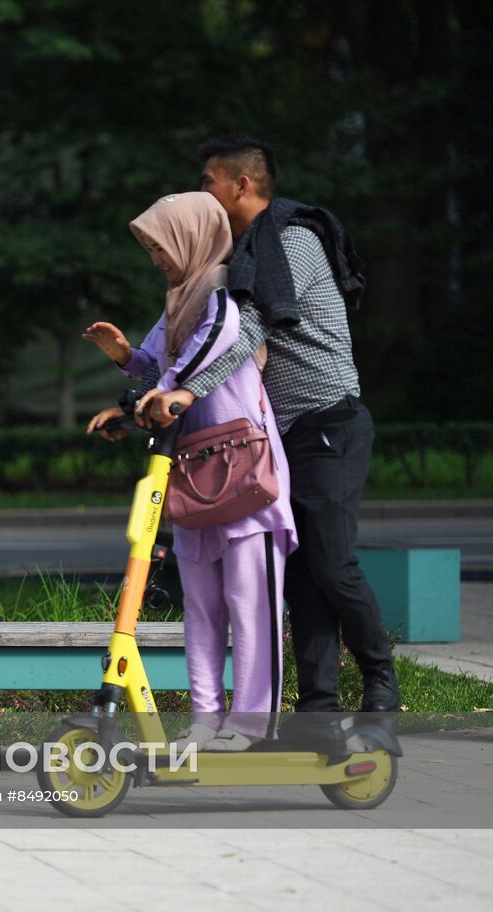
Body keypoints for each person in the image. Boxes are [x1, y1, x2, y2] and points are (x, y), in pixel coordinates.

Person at [133, 133, 400, 715]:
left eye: (209, 182)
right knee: (301, 575)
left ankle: (381, 678)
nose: (204, 191)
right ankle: (320, 706)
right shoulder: (244, 254)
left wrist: (185, 392)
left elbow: (248, 330)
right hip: (281, 435)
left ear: (241, 184)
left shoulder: (292, 242)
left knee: (331, 562)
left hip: (329, 421)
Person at [84, 192, 297, 750]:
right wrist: (125, 361)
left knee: (251, 607)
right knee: (201, 609)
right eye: (151, 248)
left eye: (160, 245)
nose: (156, 256)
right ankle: (207, 721)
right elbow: (158, 367)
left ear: (191, 237)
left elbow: (190, 369)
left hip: (246, 477)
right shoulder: (180, 298)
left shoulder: (225, 294)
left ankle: (250, 727)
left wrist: (149, 395)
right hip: (193, 472)